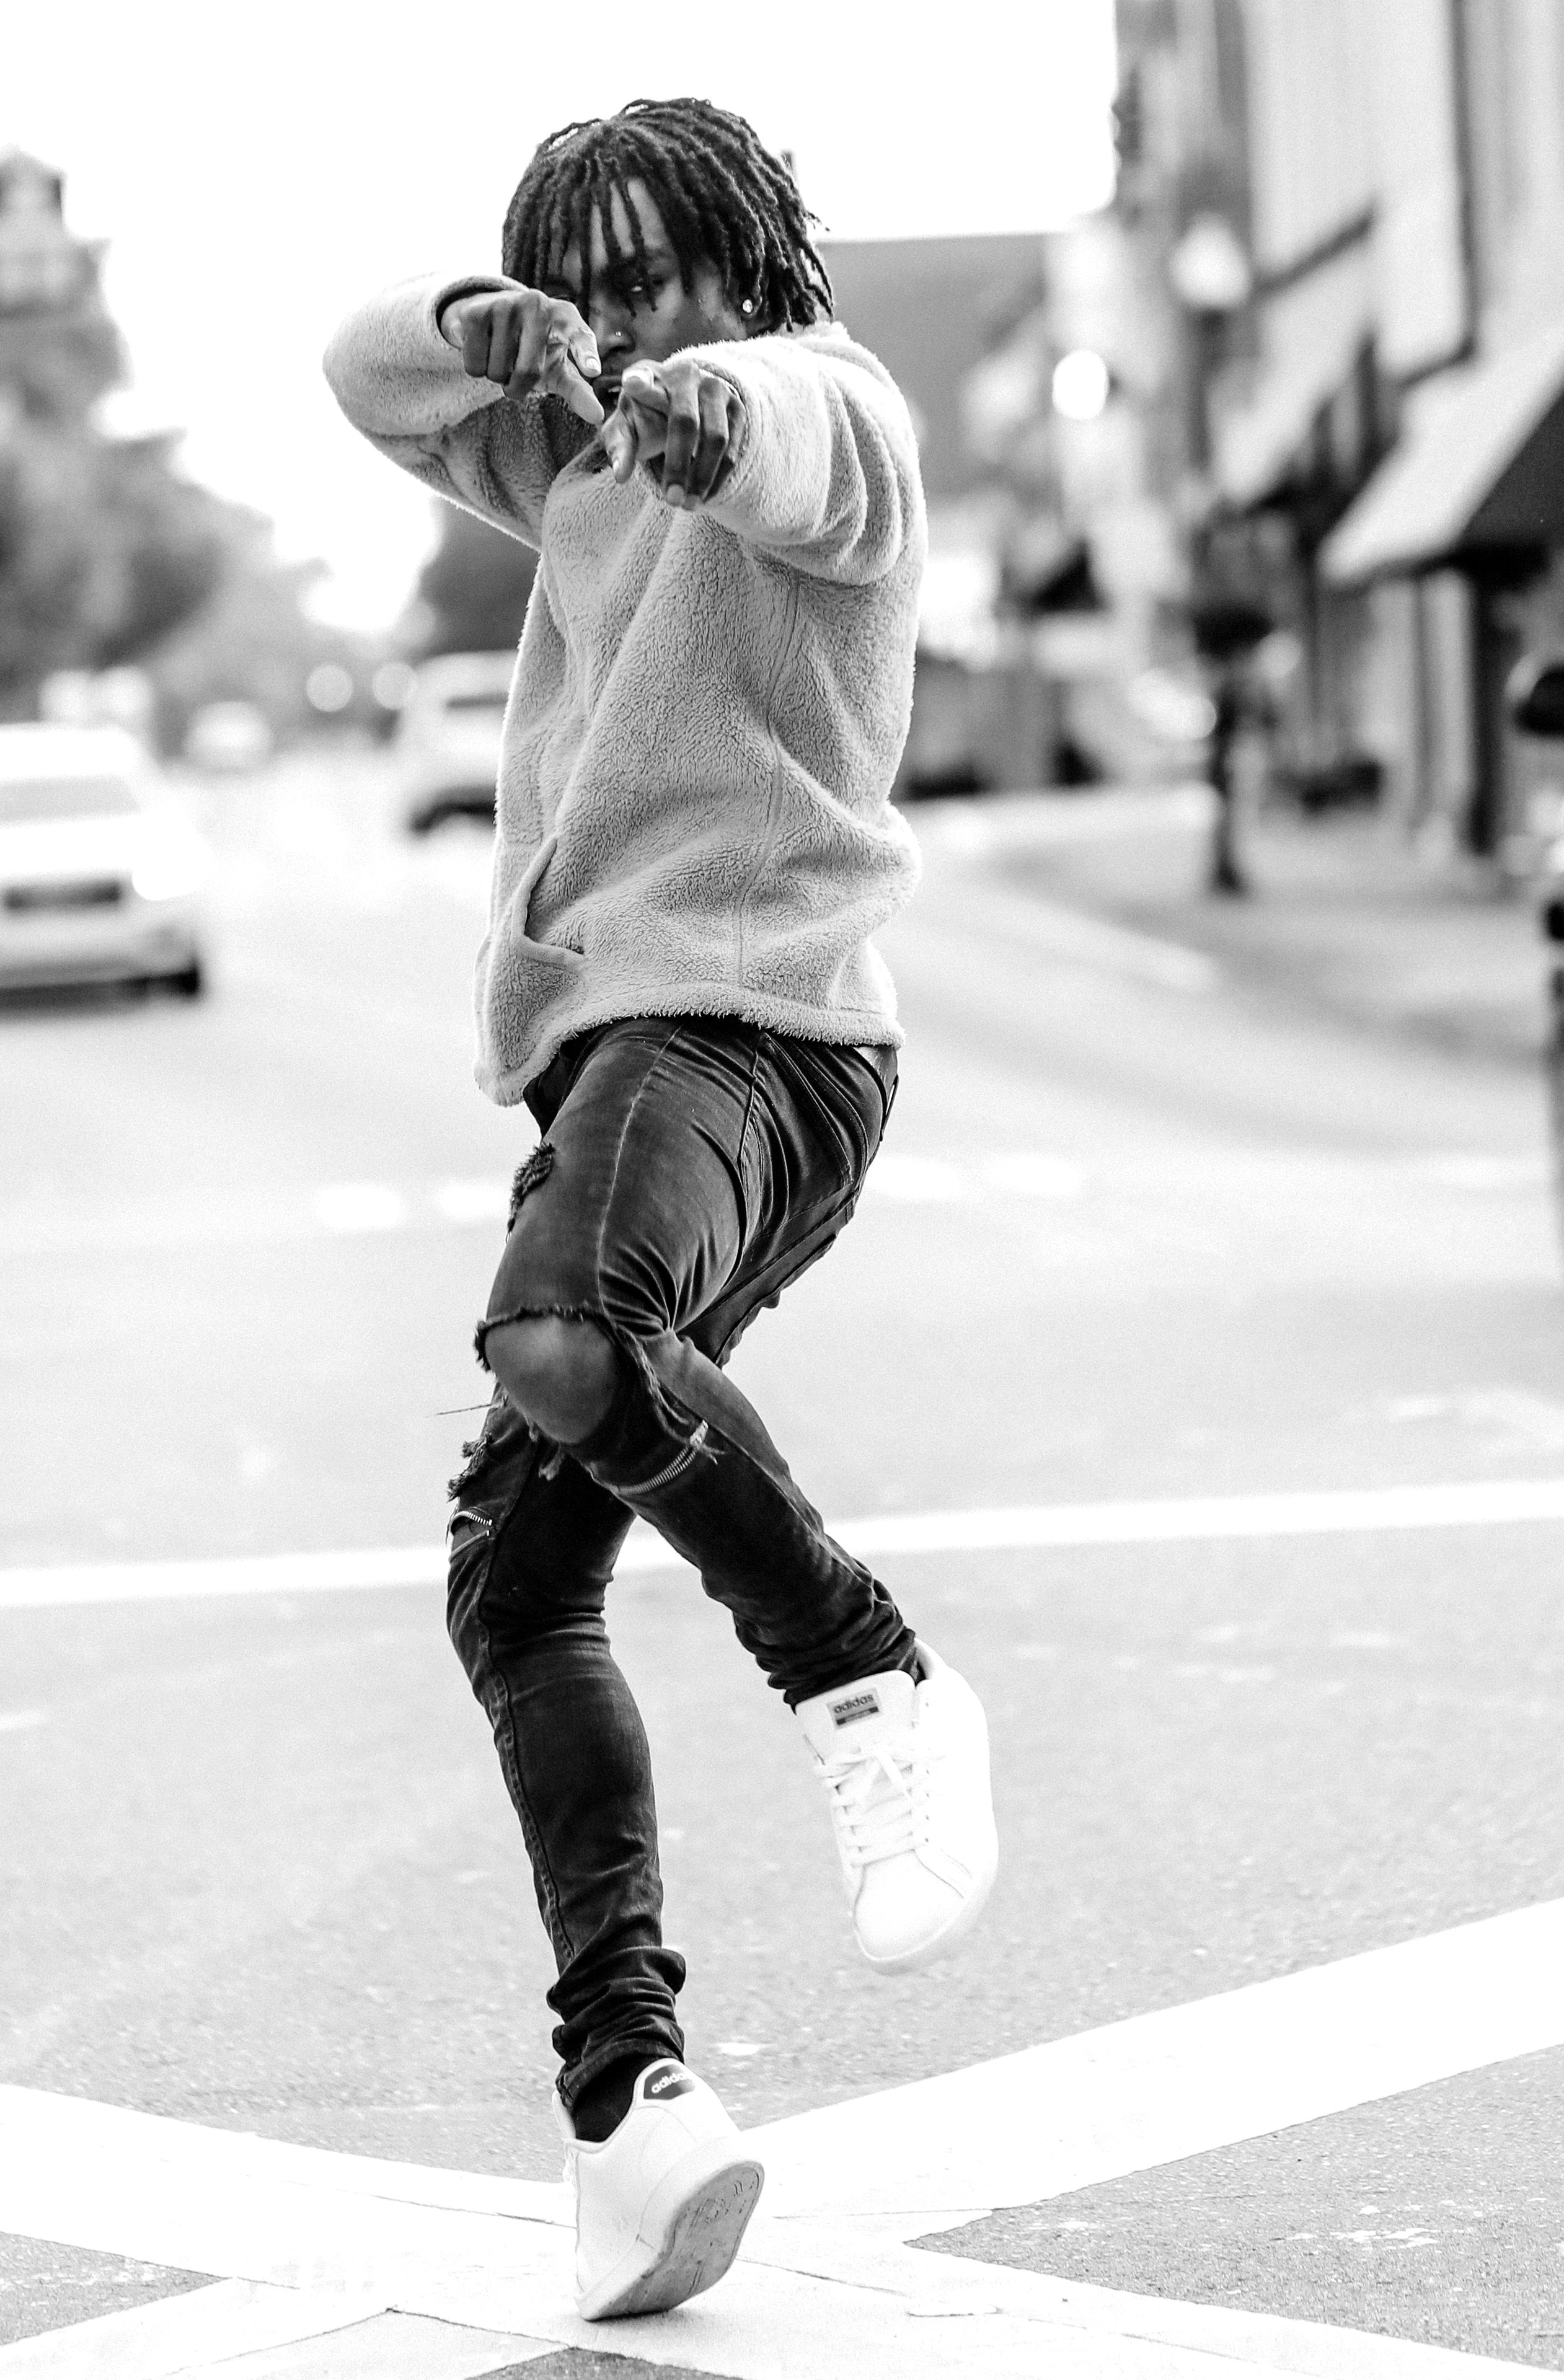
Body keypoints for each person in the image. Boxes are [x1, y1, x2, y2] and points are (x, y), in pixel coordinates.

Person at [323, 97, 997, 2322]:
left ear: (745, 264)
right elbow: (360, 371)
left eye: (662, 278)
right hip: (624, 1057)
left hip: (764, 1034)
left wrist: (718, 400)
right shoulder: (574, 459)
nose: (633, 325)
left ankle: (867, 1675)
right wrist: (483, 327)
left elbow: (798, 439)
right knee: (514, 1583)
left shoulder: (828, 408)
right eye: (590, 288)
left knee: (567, 1337)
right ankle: (632, 2109)